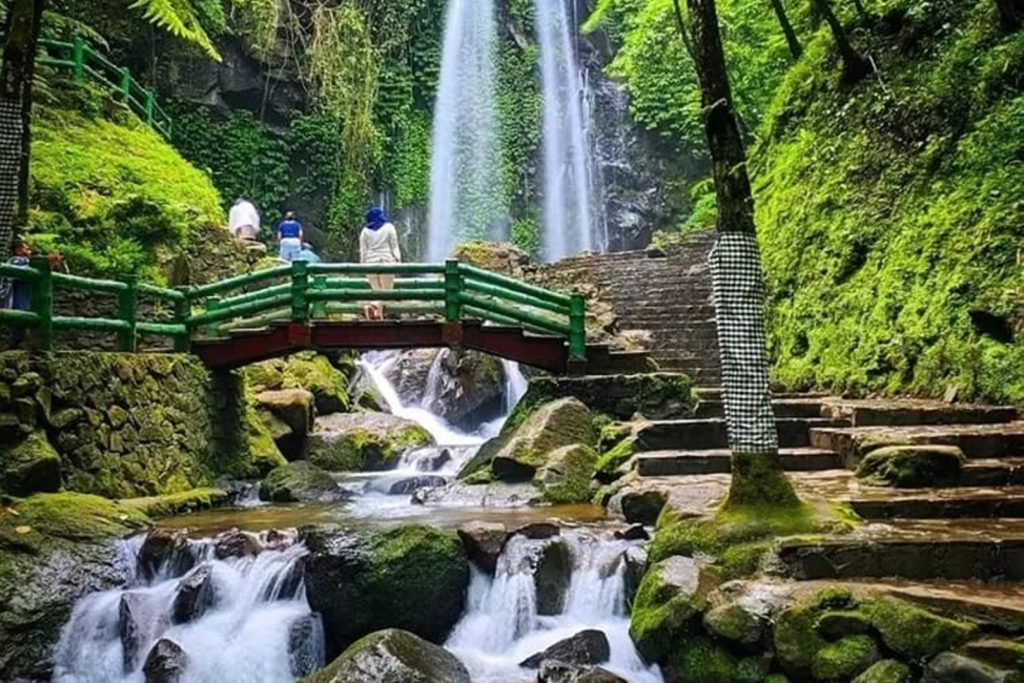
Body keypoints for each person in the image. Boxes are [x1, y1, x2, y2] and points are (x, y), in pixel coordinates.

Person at [359, 206, 401, 320]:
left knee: (376, 290)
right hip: (387, 261)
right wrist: (398, 260)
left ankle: (378, 314)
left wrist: (362, 266)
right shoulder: (389, 227)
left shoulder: (365, 231)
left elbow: (363, 251)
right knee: (386, 292)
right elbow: (394, 247)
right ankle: (374, 307)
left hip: (370, 263)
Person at [1, 240, 33, 347]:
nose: (29, 251)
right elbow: (21, 273)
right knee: (19, 321)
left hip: (25, 296)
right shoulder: (16, 261)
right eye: (26, 248)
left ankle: (17, 344)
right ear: (18, 250)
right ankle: (14, 345)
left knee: (23, 323)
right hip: (18, 296)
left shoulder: (26, 261)